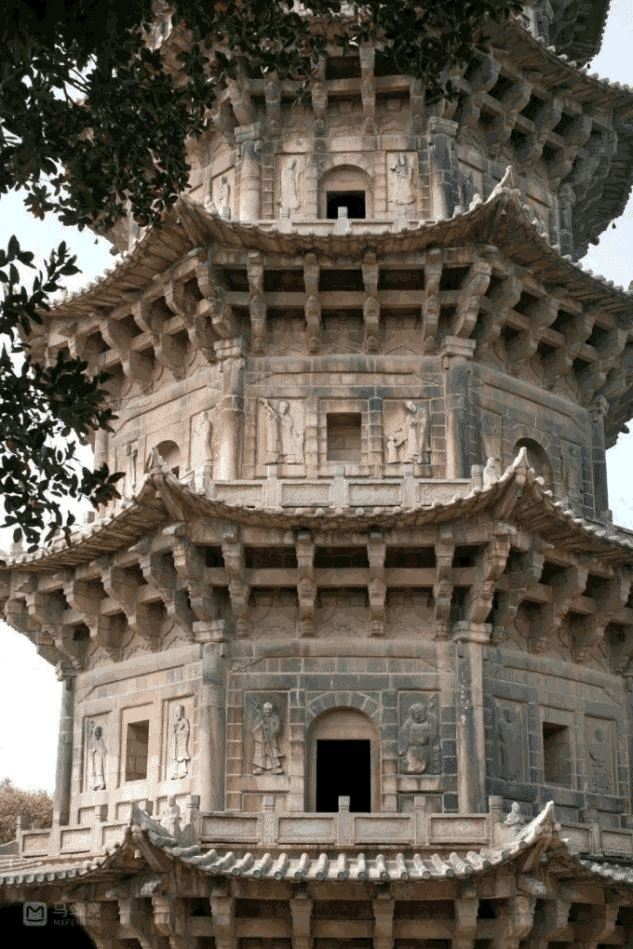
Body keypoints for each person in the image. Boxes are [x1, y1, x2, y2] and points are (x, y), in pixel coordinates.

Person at [399, 703, 433, 774]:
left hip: (422, 749)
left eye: (419, 713)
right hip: (413, 748)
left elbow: (425, 739)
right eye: (415, 713)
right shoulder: (409, 723)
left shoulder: (427, 724)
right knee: (412, 759)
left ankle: (419, 768)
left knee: (419, 762)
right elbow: (403, 732)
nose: (417, 716)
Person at [251, 702, 284, 774]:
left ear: (271, 710)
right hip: (261, 739)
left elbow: (277, 729)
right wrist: (260, 725)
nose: (267, 711)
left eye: (269, 710)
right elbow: (253, 730)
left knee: (273, 752)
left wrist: (269, 728)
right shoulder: (259, 718)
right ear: (263, 710)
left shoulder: (275, 718)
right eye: (266, 709)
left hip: (271, 739)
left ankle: (274, 767)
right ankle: (260, 768)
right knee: (260, 753)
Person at [171, 705, 191, 779]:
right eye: (176, 713)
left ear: (182, 713)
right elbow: (174, 731)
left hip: (181, 742)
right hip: (176, 742)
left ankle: (183, 771)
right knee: (175, 756)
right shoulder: (176, 721)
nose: (177, 714)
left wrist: (180, 732)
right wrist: (175, 730)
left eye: (178, 713)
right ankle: (175, 772)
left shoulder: (184, 720)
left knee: (182, 756)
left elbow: (187, 731)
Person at [88, 723, 107, 790]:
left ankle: (102, 784)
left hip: (99, 757)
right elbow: (91, 747)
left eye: (97, 731)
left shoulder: (100, 739)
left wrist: (97, 750)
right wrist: (92, 750)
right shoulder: (93, 739)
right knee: (93, 771)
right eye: (95, 732)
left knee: (99, 771)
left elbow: (103, 749)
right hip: (95, 757)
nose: (96, 733)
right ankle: (95, 784)